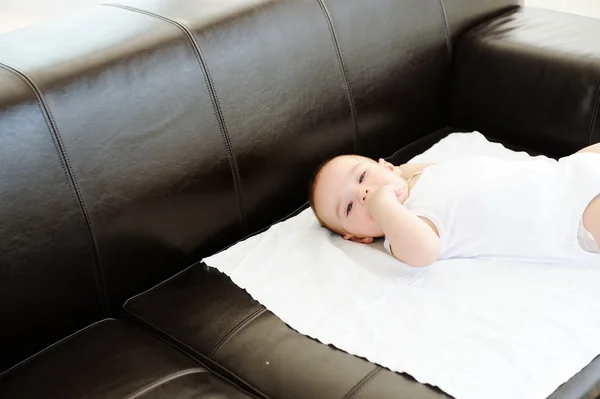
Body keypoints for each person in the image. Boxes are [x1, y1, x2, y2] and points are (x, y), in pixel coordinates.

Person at [309, 143, 600, 267]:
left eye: (362, 176)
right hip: (571, 219)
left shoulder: (418, 175)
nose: (364, 193)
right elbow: (423, 252)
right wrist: (382, 203)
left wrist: (395, 176)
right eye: (348, 208)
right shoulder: (409, 225)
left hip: (568, 171)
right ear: (358, 237)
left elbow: (402, 172)